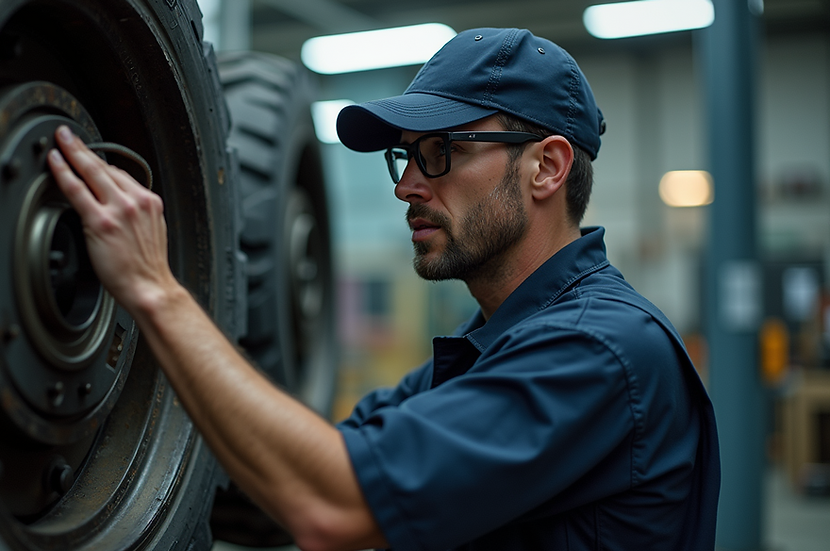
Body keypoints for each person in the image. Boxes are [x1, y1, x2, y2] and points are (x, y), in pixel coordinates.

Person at [47, 27, 720, 551]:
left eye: (440, 152)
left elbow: (332, 505)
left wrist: (156, 290)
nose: (405, 186)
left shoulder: (601, 352)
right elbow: (317, 461)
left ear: (546, 166)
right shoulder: (488, 351)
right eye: (406, 155)